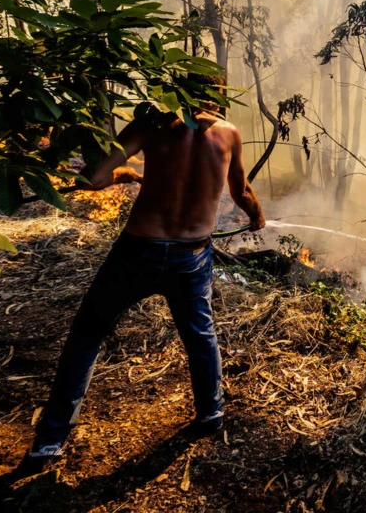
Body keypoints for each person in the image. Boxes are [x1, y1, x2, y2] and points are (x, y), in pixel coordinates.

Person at [27, 92, 265, 463]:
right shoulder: (229, 133)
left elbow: (92, 178)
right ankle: (211, 413)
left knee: (88, 335)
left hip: (139, 250)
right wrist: (257, 216)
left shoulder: (151, 124)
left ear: (178, 90)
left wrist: (124, 174)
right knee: (200, 335)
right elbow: (242, 191)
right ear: (219, 97)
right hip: (192, 254)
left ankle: (50, 440)